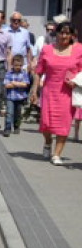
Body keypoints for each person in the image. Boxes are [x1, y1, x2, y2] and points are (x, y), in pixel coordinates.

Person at [33, 22, 82, 165]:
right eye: (61, 32)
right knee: (46, 123)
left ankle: (56, 154)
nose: (64, 36)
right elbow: (38, 71)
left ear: (73, 35)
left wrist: (76, 81)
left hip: (67, 93)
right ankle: (48, 142)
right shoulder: (47, 49)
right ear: (57, 34)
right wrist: (34, 90)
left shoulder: (79, 50)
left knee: (64, 123)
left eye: (67, 33)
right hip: (49, 91)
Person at [3, 54, 31, 137]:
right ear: (12, 64)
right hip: (10, 97)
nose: (18, 67)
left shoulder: (24, 74)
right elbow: (6, 85)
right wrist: (19, 84)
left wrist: (14, 83)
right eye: (16, 65)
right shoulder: (9, 73)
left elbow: (25, 84)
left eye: (20, 65)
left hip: (20, 97)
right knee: (9, 112)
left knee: (18, 113)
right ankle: (7, 128)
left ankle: (16, 126)